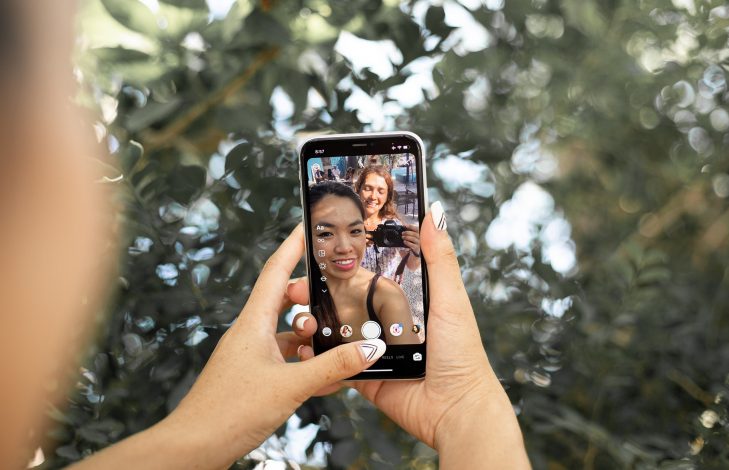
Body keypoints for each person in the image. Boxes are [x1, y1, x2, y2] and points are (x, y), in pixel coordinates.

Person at [1, 1, 531, 468]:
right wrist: (469, 412)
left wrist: (463, 407)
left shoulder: (394, 258)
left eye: (354, 227)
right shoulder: (341, 277)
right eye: (327, 231)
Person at [306, 182, 415, 347]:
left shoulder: (387, 294)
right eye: (326, 233)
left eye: (355, 231)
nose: (345, 247)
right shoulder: (296, 293)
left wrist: (418, 251)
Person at [354, 165, 421, 278]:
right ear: (358, 189)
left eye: (381, 191)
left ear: (387, 197)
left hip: (387, 288)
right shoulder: (347, 225)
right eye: (368, 188)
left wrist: (417, 251)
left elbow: (411, 266)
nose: (373, 196)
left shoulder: (394, 226)